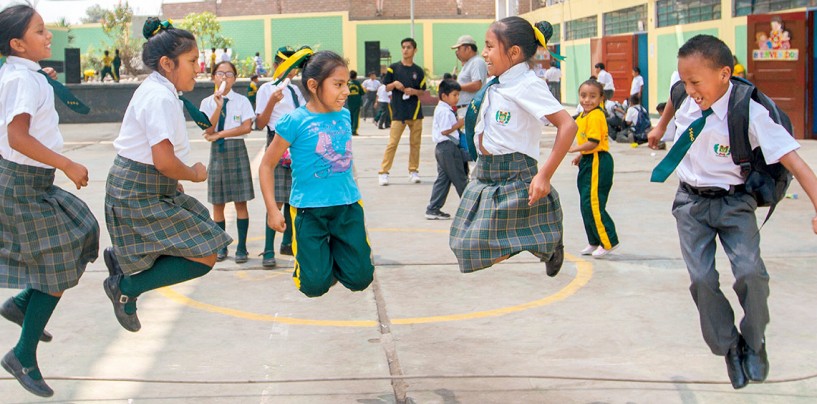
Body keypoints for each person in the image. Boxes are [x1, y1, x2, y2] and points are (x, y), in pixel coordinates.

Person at [646, 34, 817, 390]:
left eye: (697, 82)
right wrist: (661, 126)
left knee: (752, 274)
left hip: (735, 202)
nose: (690, 89)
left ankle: (754, 341)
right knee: (702, 281)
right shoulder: (684, 92)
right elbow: (674, 101)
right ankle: (729, 346)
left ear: (725, 74)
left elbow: (797, 164)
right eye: (685, 81)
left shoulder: (748, 111)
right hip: (691, 204)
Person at [103, 18, 232, 334]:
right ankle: (127, 287)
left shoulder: (161, 91)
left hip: (147, 183)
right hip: (138, 189)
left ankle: (123, 260)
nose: (199, 67)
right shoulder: (160, 97)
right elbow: (162, 160)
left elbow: (156, 154)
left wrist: (173, 177)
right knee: (204, 253)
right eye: (191, 61)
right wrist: (193, 174)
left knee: (201, 236)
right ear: (166, 63)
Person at [0, 5, 99, 397]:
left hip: (33, 182)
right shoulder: (21, 80)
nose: (49, 35)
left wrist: (42, 79)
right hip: (23, 184)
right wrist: (68, 163)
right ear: (18, 44)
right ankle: (22, 354)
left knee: (83, 230)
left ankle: (23, 304)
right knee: (56, 265)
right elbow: (18, 138)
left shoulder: (24, 75)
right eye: (40, 31)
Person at [450, 18, 577, 277]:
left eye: (489, 47)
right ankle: (543, 236)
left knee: (474, 248)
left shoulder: (527, 84)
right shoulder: (498, 82)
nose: (483, 53)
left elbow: (568, 126)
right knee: (461, 241)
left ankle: (548, 242)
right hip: (485, 173)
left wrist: (544, 175)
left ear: (514, 52)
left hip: (515, 172)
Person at [259, 50, 375, 297]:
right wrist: (272, 208)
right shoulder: (294, 121)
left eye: (347, 84)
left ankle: (328, 259)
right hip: (310, 210)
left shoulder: (344, 114)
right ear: (313, 85)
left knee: (361, 278)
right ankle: (317, 267)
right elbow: (266, 165)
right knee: (313, 286)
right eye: (338, 85)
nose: (346, 91)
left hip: (347, 206)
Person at [200, 61, 256, 263]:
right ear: (213, 76)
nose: (224, 77)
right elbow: (208, 130)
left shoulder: (242, 101)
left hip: (236, 149)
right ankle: (221, 246)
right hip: (217, 153)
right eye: (220, 73)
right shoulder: (207, 102)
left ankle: (242, 247)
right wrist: (217, 107)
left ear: (235, 78)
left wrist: (221, 134)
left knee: (241, 202)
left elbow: (246, 127)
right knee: (218, 204)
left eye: (229, 74)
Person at [255, 46, 306, 267]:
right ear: (277, 65)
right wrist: (272, 102)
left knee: (293, 196)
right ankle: (268, 249)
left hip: (296, 143)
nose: (292, 72)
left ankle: (288, 242)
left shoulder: (295, 91)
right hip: (277, 140)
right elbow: (259, 123)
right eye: (289, 67)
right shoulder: (266, 89)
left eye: (295, 69)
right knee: (275, 198)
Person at [569, 79, 619, 257]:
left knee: (594, 203)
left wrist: (575, 148)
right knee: (585, 204)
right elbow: (587, 142)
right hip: (588, 160)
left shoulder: (597, 115)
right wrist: (580, 155)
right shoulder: (584, 115)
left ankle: (608, 241)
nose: (587, 100)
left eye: (592, 96)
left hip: (598, 161)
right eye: (583, 96)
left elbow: (594, 143)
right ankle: (594, 240)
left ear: (601, 98)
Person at [378, 37, 428, 186]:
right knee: (392, 143)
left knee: (415, 144)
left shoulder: (418, 71)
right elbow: (385, 87)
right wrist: (394, 84)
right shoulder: (393, 68)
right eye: (403, 47)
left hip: (415, 112)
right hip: (398, 112)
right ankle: (383, 173)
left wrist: (414, 91)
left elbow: (423, 91)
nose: (405, 50)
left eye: (408, 47)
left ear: (415, 50)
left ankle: (413, 171)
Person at [426, 79, 467, 220]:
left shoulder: (445, 109)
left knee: (443, 179)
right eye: (454, 95)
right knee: (460, 178)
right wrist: (459, 124)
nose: (457, 98)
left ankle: (433, 208)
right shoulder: (444, 111)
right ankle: (471, 208)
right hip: (448, 148)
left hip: (442, 149)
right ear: (444, 96)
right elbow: (445, 131)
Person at [451, 34, 488, 116]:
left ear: (468, 48)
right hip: (465, 108)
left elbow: (477, 84)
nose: (457, 52)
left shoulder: (477, 62)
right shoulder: (469, 63)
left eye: (459, 49)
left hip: (471, 108)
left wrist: (457, 87)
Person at [346, 70, 363, 136]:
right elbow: (362, 92)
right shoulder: (357, 83)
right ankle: (354, 130)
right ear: (356, 76)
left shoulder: (348, 83)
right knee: (356, 116)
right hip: (357, 102)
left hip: (350, 101)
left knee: (350, 115)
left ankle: (350, 130)